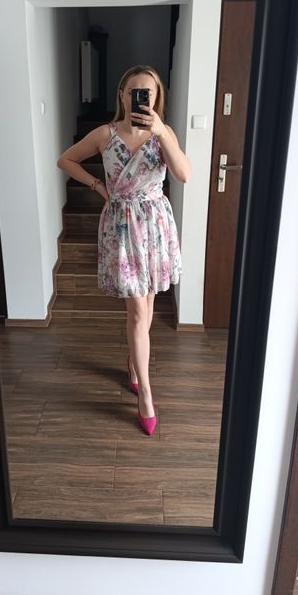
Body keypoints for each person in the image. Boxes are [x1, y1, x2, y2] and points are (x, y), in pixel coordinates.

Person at [57, 65, 190, 436]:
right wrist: (98, 186)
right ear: (122, 95)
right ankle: (145, 392)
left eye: (148, 92)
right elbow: (65, 160)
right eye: (134, 91)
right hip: (122, 225)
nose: (140, 98)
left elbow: (184, 174)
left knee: (148, 304)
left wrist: (161, 132)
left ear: (157, 97)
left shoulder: (164, 133)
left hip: (155, 226)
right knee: (137, 310)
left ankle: (134, 362)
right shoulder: (105, 134)